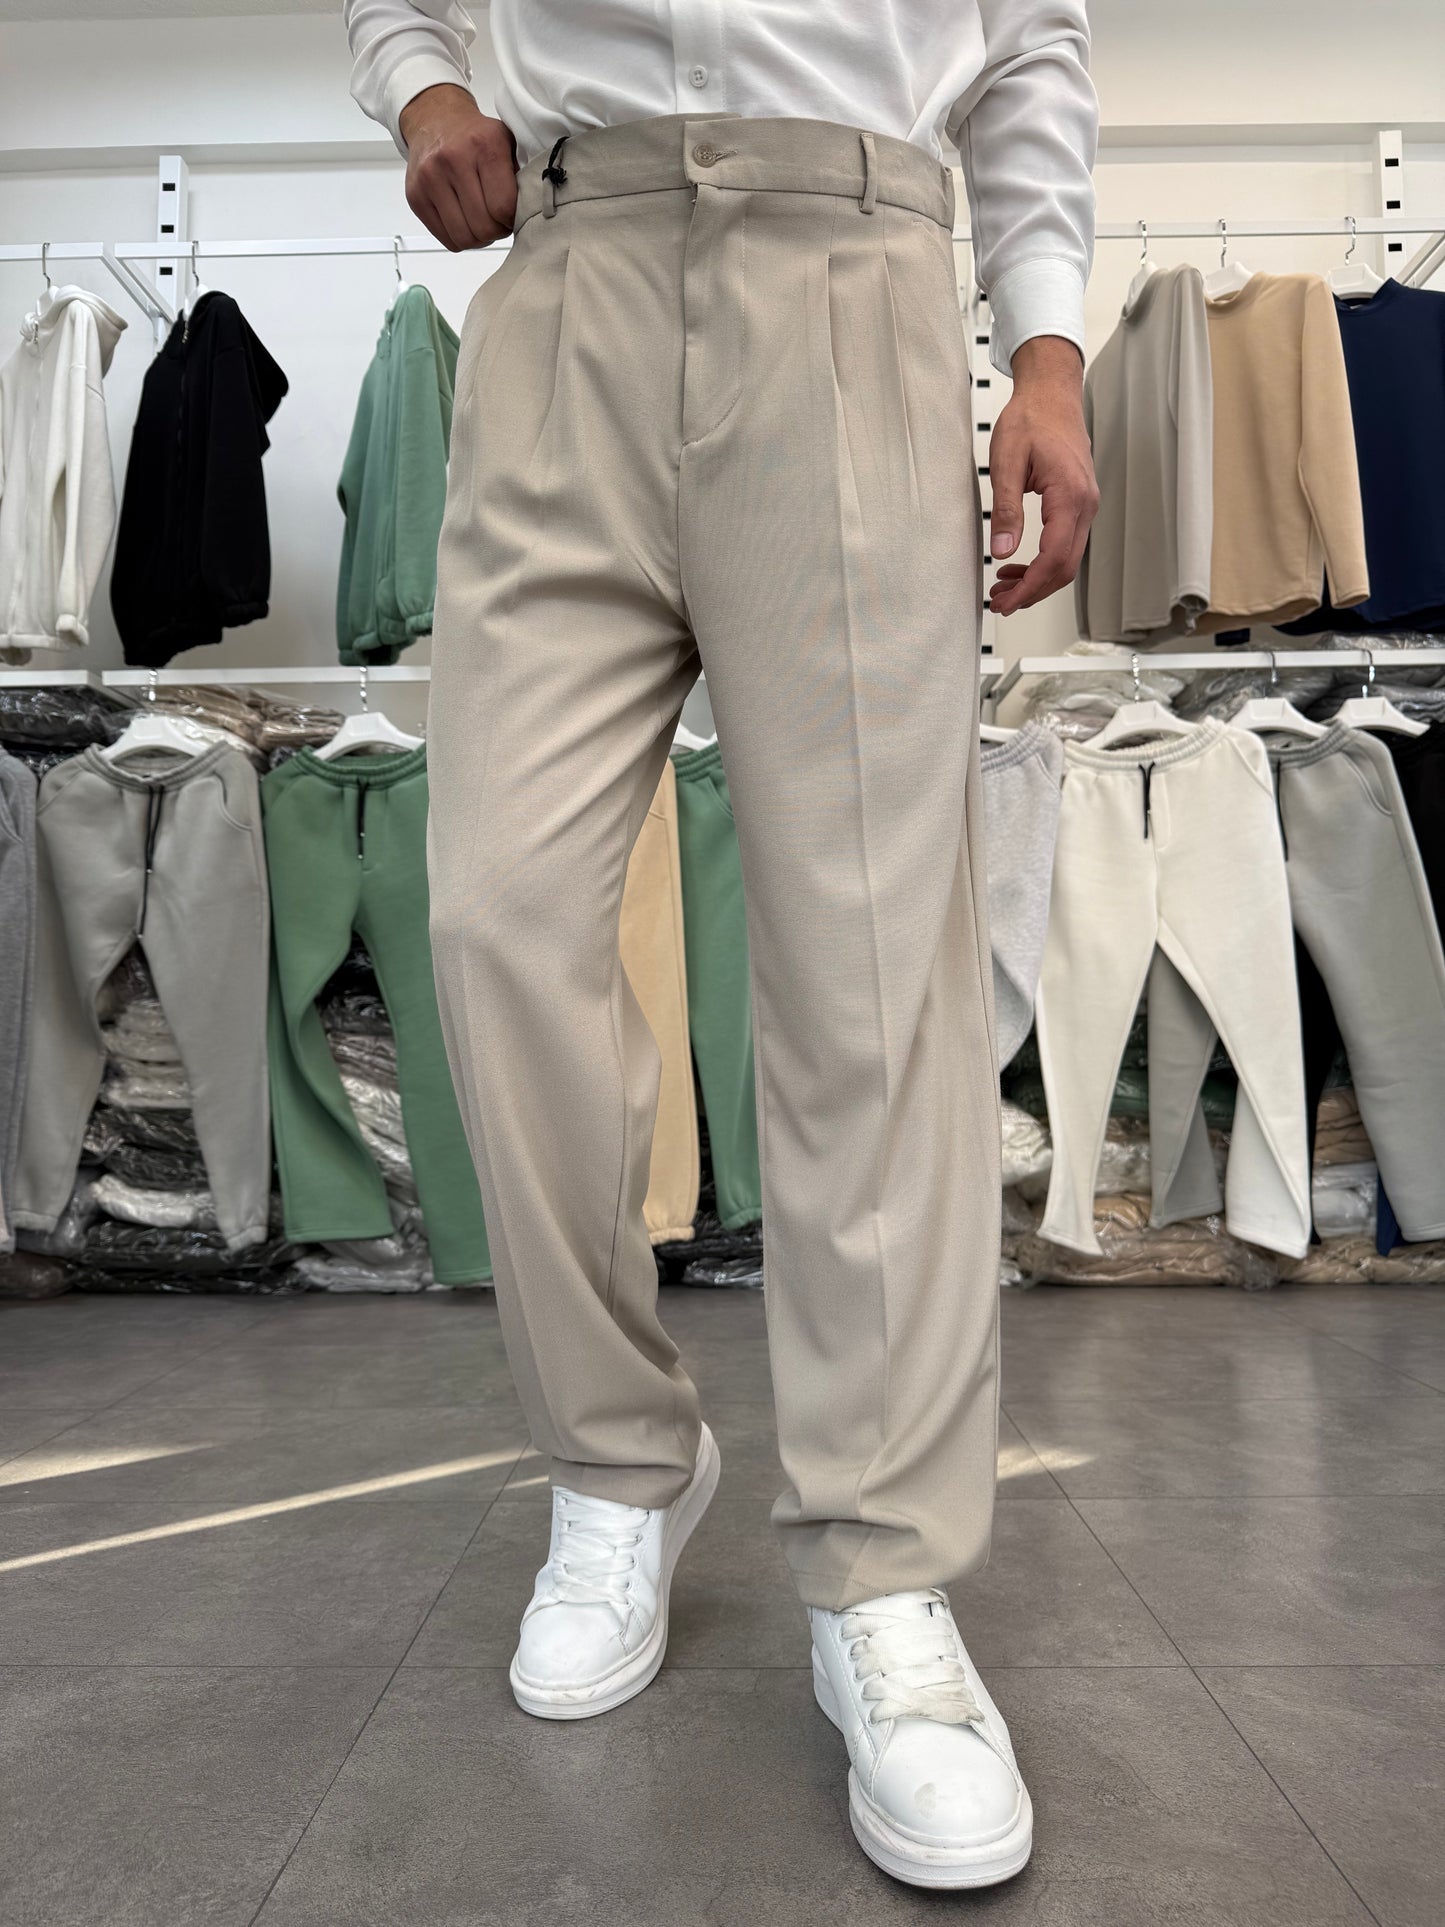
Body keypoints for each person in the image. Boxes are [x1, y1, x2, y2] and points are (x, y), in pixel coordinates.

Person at [342, 0, 1097, 1890]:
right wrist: (423, 87)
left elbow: (1029, 43)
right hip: (566, 281)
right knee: (494, 914)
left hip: (850, 266)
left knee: (869, 970)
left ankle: (882, 1570)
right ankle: (620, 1458)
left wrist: (1048, 348)